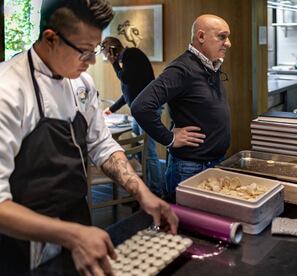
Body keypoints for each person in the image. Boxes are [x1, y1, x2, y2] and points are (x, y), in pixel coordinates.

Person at [0, 0, 178, 274]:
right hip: (22, 243)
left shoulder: (81, 83)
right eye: (84, 52)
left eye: (95, 49)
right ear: (51, 38)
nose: (93, 61)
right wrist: (71, 235)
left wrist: (143, 193)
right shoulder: (8, 91)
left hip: (78, 221)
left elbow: (102, 144)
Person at [131, 14, 232, 201]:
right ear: (201, 37)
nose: (228, 43)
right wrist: (169, 138)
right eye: (222, 36)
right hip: (190, 168)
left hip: (215, 163)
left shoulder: (210, 66)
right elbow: (141, 106)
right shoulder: (181, 69)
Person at [101, 36, 165, 198]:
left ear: (112, 50)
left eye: (106, 51)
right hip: (139, 111)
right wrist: (112, 109)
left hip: (147, 111)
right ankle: (144, 190)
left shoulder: (132, 55)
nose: (105, 56)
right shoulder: (129, 60)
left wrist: (114, 63)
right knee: (140, 152)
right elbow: (128, 92)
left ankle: (157, 193)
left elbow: (125, 78)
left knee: (149, 152)